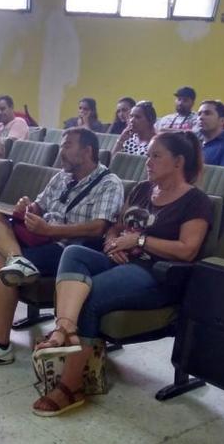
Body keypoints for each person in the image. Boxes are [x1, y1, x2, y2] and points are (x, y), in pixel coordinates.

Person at [31, 131, 212, 417]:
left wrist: (138, 242)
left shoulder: (196, 201)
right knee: (73, 253)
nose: (147, 161)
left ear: (178, 161)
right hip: (121, 260)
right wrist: (112, 241)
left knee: (87, 295)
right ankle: (65, 329)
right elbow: (115, 226)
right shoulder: (142, 189)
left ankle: (71, 385)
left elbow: (187, 250)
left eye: (155, 156)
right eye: (147, 155)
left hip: (155, 273)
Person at [0, 128, 124, 368]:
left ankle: (0, 346)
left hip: (68, 248)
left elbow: (98, 228)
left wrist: (50, 230)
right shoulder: (61, 177)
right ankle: (17, 259)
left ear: (87, 151)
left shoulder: (109, 183)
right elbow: (39, 205)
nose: (61, 151)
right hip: (42, 236)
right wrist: (28, 207)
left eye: (67, 146)